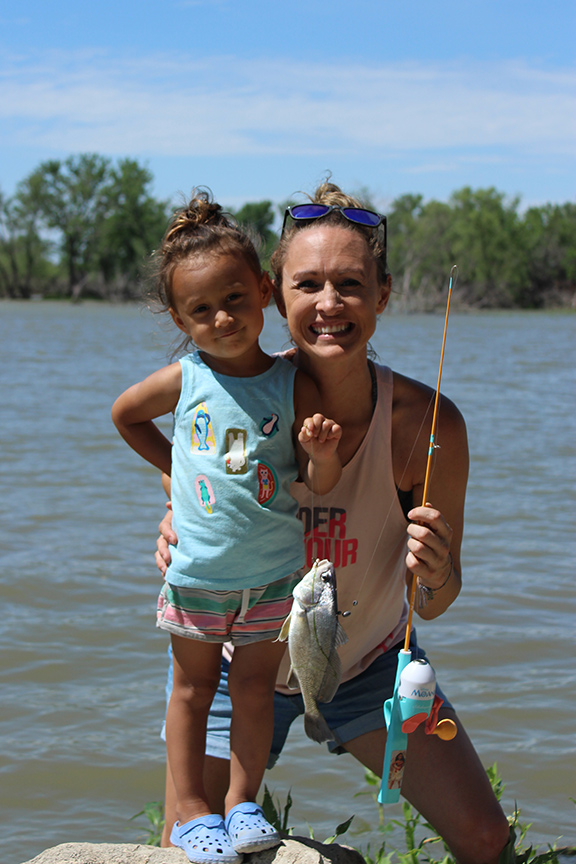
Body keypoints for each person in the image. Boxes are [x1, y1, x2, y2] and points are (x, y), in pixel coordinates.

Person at [155, 182, 515, 863]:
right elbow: (189, 467)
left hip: (371, 664)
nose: (328, 304)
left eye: (350, 284)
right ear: (273, 293)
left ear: (381, 296)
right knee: (183, 844)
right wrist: (176, 514)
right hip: (244, 655)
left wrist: (435, 573)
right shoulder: (238, 396)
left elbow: (435, 605)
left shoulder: (426, 424)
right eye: (308, 284)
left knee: (486, 839)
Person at [112, 191, 342, 864]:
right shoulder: (185, 380)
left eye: (235, 299)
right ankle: (188, 813)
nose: (222, 318)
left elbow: (316, 483)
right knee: (191, 691)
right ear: (181, 318)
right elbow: (125, 415)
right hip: (199, 577)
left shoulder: (289, 383)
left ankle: (243, 802)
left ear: (265, 291)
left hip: (273, 575)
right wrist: (176, 471)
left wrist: (322, 454)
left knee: (252, 692)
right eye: (201, 310)